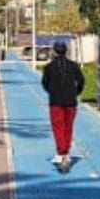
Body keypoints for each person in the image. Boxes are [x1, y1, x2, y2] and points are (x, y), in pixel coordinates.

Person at [40, 38, 85, 172]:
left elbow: (44, 83)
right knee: (68, 127)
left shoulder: (49, 67)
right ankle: (65, 152)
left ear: (54, 51)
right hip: (71, 101)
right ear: (66, 51)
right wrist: (76, 92)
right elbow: (82, 81)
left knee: (58, 127)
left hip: (56, 101)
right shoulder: (74, 65)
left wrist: (52, 92)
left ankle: (61, 152)